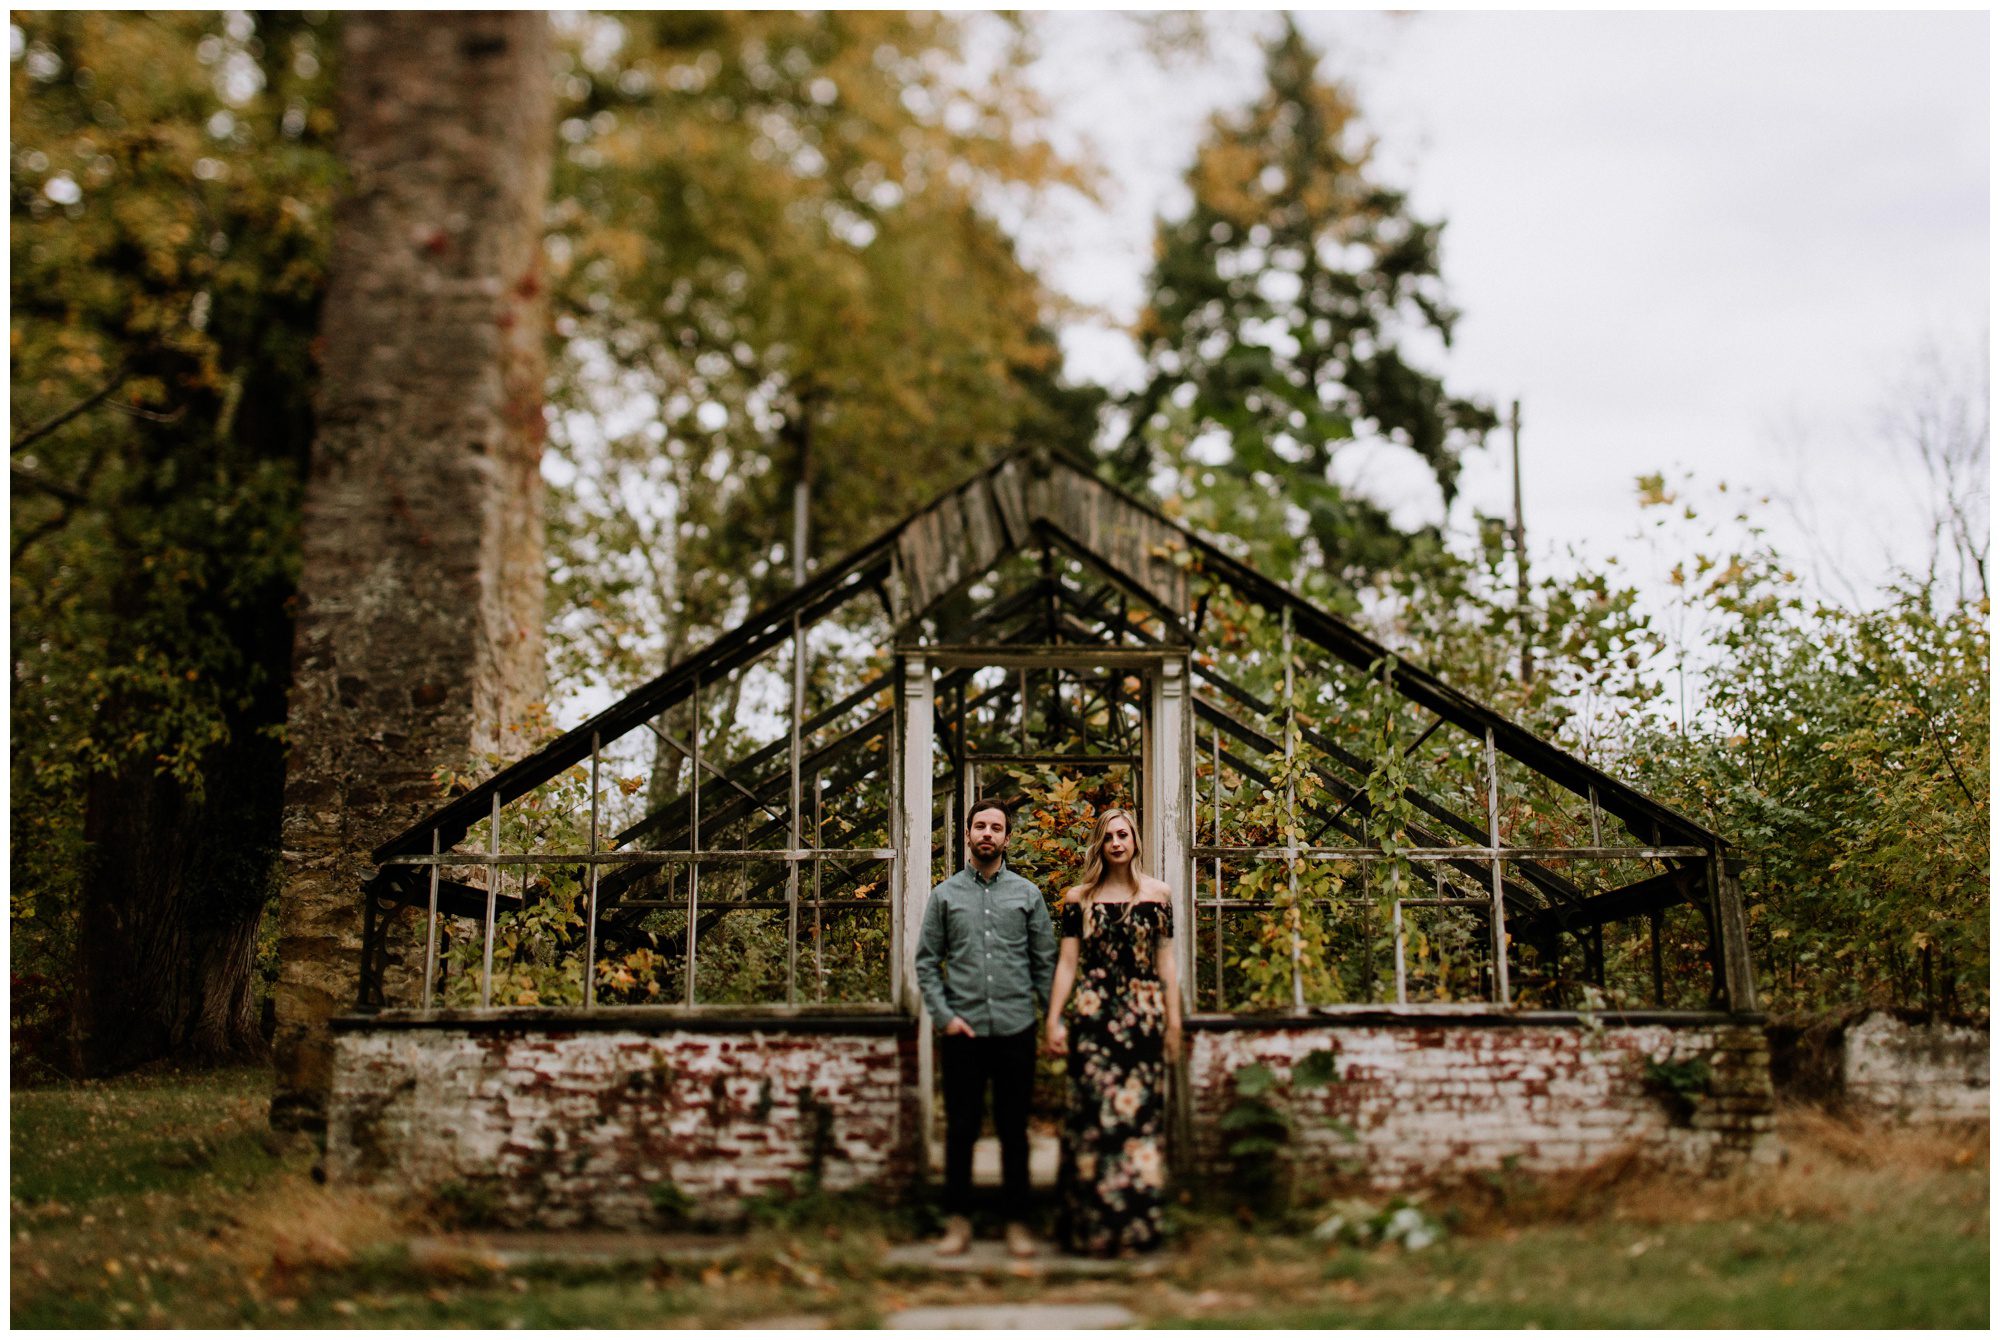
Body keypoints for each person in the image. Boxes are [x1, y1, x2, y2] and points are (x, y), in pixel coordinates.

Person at [913, 797, 1058, 1258]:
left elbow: (1045, 965)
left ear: (1007, 838)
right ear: (968, 835)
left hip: (1016, 1028)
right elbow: (926, 962)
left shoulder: (1028, 895)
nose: (988, 834)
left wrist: (1050, 1019)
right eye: (980, 826)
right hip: (965, 1032)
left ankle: (1017, 1223)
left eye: (996, 827)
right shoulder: (945, 895)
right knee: (961, 1129)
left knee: (1015, 1130)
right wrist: (944, 1017)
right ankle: (957, 1223)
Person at [1044, 807, 1181, 1257]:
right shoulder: (1077, 898)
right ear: (1099, 845)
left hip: (1143, 1015)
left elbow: (1166, 964)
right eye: (1108, 837)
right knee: (1093, 1121)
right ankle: (1091, 1229)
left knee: (1137, 1121)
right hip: (1094, 1014)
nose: (1117, 843)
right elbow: (1067, 964)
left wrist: (1174, 1022)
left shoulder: (1159, 894)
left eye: (1123, 835)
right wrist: (1054, 1017)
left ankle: (1134, 1229)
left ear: (1135, 839)